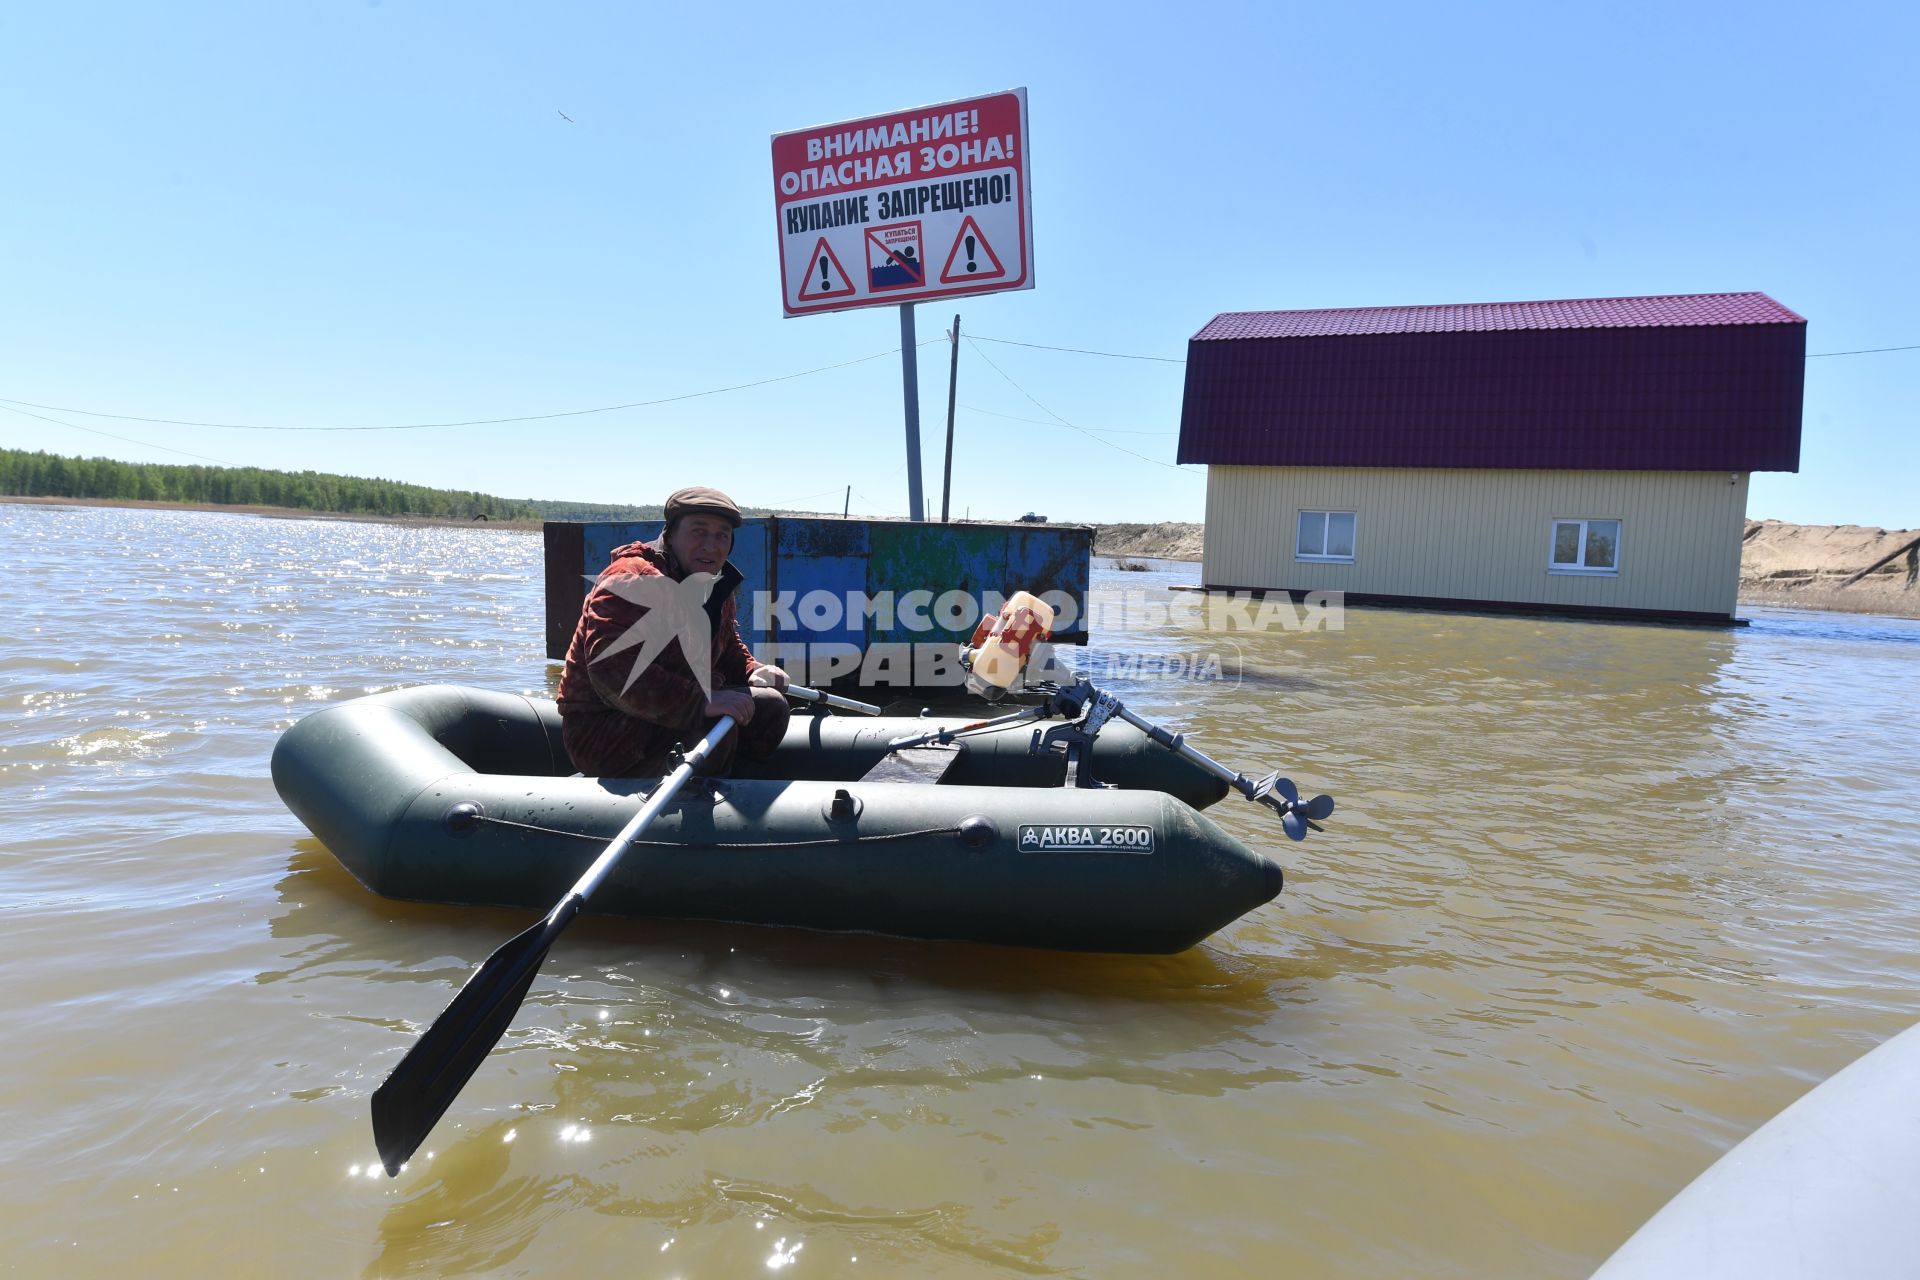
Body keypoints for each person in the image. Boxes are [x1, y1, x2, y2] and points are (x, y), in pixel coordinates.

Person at [556, 485, 791, 777]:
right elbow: (611, 671)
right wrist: (700, 703)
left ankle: (738, 793)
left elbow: (726, 645)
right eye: (699, 532)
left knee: (770, 708)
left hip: (672, 711)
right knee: (712, 726)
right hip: (605, 729)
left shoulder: (712, 583)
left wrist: (751, 669)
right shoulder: (631, 580)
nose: (711, 545)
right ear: (670, 533)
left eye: (722, 535)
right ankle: (692, 806)